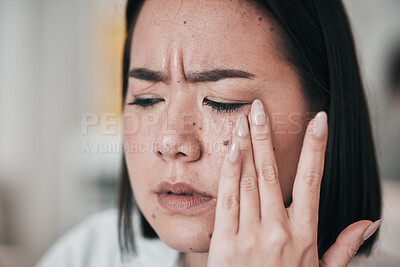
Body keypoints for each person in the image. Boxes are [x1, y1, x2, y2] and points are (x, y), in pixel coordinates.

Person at [36, 0, 382, 266]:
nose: (169, 142)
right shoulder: (88, 254)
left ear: (322, 112)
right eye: (147, 99)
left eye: (222, 102)